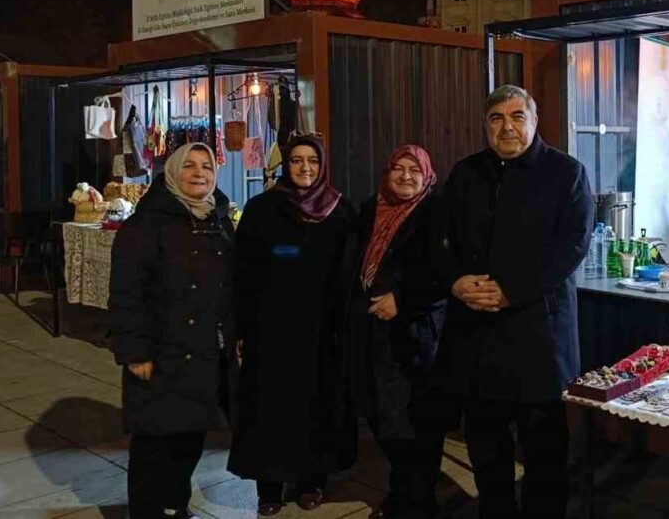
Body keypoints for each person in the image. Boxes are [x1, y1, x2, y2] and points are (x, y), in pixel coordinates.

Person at [439, 85, 594, 519]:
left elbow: (573, 245)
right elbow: (441, 239)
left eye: (516, 116)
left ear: (534, 120)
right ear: (485, 125)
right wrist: (456, 282)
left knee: (545, 453)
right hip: (477, 334)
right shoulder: (466, 173)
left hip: (538, 337)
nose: (506, 127)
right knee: (486, 449)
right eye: (496, 118)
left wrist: (512, 290)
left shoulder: (566, 172)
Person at [227, 136, 357, 516]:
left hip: (322, 330)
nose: (305, 168)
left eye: (312, 161)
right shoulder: (261, 208)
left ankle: (311, 481)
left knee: (317, 404)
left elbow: (351, 273)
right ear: (285, 165)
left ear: (323, 165)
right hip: (270, 327)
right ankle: (269, 487)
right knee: (269, 406)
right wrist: (241, 327)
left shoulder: (341, 211)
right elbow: (242, 271)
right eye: (297, 160)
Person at [109, 143, 238, 519]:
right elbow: (126, 293)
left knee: (190, 436)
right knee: (154, 441)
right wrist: (135, 351)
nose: (199, 173)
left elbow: (232, 287)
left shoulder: (218, 219)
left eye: (207, 167)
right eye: (189, 166)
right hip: (162, 351)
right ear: (172, 173)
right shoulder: (145, 225)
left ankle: (175, 505)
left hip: (205, 352)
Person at [346, 145, 451, 519]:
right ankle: (402, 493)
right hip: (371, 332)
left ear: (427, 176)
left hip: (416, 334)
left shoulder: (436, 213)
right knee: (382, 418)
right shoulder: (370, 210)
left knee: (416, 424)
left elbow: (444, 273)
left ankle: (418, 503)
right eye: (398, 168)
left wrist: (402, 300)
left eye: (415, 170)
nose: (406, 176)